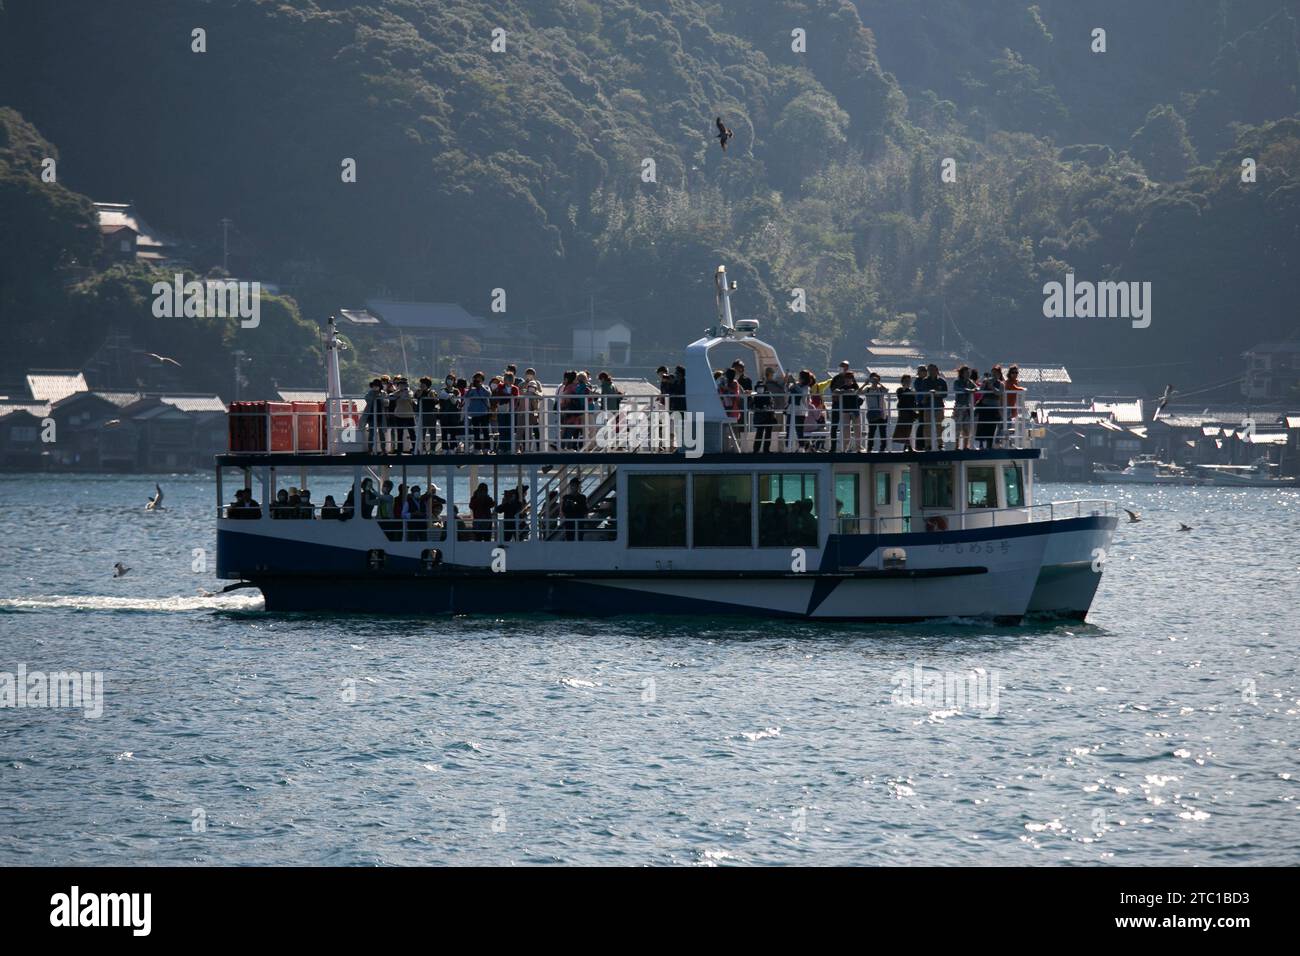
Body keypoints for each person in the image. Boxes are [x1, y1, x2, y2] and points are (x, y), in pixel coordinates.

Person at [492, 371, 520, 453]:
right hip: (502, 411)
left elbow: (515, 398)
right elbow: (499, 394)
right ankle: (501, 447)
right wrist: (508, 396)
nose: (509, 380)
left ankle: (509, 448)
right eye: (507, 378)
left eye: (511, 379)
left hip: (511, 411)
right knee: (502, 429)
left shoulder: (515, 388)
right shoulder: (500, 386)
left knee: (510, 430)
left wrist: (506, 396)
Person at [464, 372, 492, 452]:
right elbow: (466, 396)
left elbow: (489, 394)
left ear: (482, 380)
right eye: (476, 379)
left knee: (485, 431)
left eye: (479, 379)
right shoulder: (472, 389)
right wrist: (470, 389)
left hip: (484, 413)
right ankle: (477, 448)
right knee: (476, 432)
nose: (477, 380)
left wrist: (481, 387)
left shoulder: (486, 387)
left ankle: (487, 448)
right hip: (474, 414)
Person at [863, 372, 889, 452]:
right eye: (873, 379)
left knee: (882, 431)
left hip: (882, 413)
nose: (874, 380)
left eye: (876, 379)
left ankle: (882, 448)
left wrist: (879, 383)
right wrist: (865, 384)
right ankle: (869, 448)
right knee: (871, 431)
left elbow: (887, 391)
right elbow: (857, 393)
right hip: (872, 413)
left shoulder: (880, 389)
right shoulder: (867, 389)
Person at [436, 375, 462, 452]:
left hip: (454, 414)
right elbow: (442, 396)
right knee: (444, 432)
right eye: (448, 379)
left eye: (451, 379)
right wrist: (451, 395)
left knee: (453, 432)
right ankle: (444, 448)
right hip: (444, 414)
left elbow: (456, 402)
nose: (450, 380)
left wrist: (451, 396)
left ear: (454, 381)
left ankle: (452, 448)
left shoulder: (457, 390)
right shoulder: (442, 390)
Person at [521, 368, 544, 451]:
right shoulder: (522, 384)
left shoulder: (537, 383)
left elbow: (541, 393)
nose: (529, 375)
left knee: (535, 427)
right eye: (528, 373)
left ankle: (538, 445)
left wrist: (535, 392)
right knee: (524, 428)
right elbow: (519, 393)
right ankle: (524, 446)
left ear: (534, 375)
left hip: (534, 408)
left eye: (531, 373)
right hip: (524, 409)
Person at [893, 374, 917, 451]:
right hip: (903, 412)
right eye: (906, 381)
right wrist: (906, 390)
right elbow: (901, 398)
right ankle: (908, 446)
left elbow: (913, 402)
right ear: (902, 382)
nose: (908, 382)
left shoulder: (911, 391)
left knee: (908, 429)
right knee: (903, 429)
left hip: (910, 412)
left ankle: (906, 446)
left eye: (909, 381)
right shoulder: (900, 390)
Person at [954, 367, 976, 450]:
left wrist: (974, 389)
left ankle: (965, 446)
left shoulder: (970, 381)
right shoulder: (957, 381)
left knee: (966, 427)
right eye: (966, 372)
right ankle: (956, 446)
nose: (968, 374)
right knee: (958, 427)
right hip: (959, 406)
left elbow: (976, 388)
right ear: (962, 373)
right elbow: (956, 388)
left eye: (968, 372)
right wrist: (966, 390)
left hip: (967, 407)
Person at [362, 378, 385, 452]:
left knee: (382, 433)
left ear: (379, 387)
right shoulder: (369, 393)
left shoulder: (383, 393)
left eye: (377, 386)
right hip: (371, 416)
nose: (375, 387)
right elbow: (366, 399)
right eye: (374, 386)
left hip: (381, 416)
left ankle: (383, 449)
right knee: (371, 433)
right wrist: (373, 397)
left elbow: (387, 402)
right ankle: (370, 449)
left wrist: (380, 398)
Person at [415, 376, 437, 453]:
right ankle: (422, 449)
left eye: (423, 384)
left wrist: (431, 396)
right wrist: (421, 391)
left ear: (427, 385)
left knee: (432, 432)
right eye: (421, 384)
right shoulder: (418, 391)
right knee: (421, 433)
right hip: (421, 415)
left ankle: (432, 449)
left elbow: (435, 401)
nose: (421, 385)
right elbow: (416, 396)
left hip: (430, 414)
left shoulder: (432, 392)